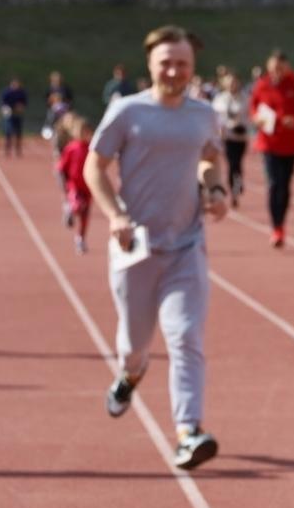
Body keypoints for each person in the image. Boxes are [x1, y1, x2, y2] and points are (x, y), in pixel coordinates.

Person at [85, 25, 229, 470]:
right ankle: (130, 373)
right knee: (134, 343)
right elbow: (95, 166)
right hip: (135, 248)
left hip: (186, 244)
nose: (173, 70)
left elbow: (211, 156)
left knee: (185, 337)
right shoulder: (127, 112)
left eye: (182, 62)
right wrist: (114, 215)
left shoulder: (203, 114)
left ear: (193, 66)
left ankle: (189, 431)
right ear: (150, 64)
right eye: (165, 62)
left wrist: (217, 188)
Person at [248, 49, 294, 247]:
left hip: (290, 144)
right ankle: (276, 227)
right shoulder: (262, 85)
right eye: (274, 67)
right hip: (268, 142)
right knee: (273, 184)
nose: (277, 71)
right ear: (268, 66)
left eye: (280, 67)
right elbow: (253, 107)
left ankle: (281, 223)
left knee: (284, 186)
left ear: (287, 67)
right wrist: (257, 118)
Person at [55, 115, 95, 254]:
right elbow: (60, 168)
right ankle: (70, 209)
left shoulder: (92, 149)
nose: (85, 134)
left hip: (88, 186)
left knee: (85, 215)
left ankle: (80, 239)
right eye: (81, 131)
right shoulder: (71, 148)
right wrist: (64, 184)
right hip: (75, 186)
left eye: (87, 131)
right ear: (75, 133)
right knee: (78, 205)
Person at [211, 71, 249, 206]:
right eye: (229, 82)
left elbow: (250, 116)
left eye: (234, 82)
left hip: (241, 137)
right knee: (232, 164)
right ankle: (234, 191)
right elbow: (215, 118)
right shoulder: (220, 99)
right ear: (224, 83)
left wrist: (244, 126)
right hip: (227, 137)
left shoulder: (245, 98)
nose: (232, 85)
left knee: (238, 163)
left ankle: (237, 184)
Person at [0, 78, 28, 157]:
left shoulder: (21, 92)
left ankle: (18, 149)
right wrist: (5, 109)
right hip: (9, 115)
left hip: (18, 114)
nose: (15, 86)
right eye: (14, 84)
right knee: (8, 131)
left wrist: (21, 107)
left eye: (17, 84)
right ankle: (7, 148)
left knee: (18, 132)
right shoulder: (7, 92)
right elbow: (2, 102)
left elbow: (24, 102)